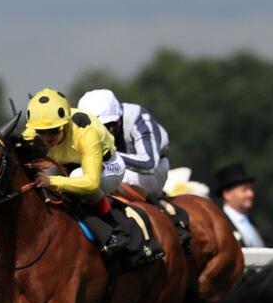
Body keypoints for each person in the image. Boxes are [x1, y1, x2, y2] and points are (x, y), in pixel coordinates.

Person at [19, 88, 134, 257]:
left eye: (54, 130)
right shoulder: (32, 132)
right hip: (71, 165)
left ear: (66, 123)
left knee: (77, 177)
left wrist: (53, 182)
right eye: (42, 132)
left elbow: (91, 182)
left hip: (109, 165)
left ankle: (115, 229)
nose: (47, 137)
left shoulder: (85, 131)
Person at [77, 89, 170, 197]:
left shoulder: (136, 116)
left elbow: (149, 164)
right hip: (114, 168)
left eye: (106, 126)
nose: (102, 133)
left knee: (96, 178)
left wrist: (109, 154)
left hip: (152, 171)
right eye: (95, 129)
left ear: (118, 119)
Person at [215, 162, 264, 248]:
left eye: (251, 189)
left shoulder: (252, 222)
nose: (251, 194)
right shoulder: (219, 223)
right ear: (227, 194)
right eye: (244, 190)